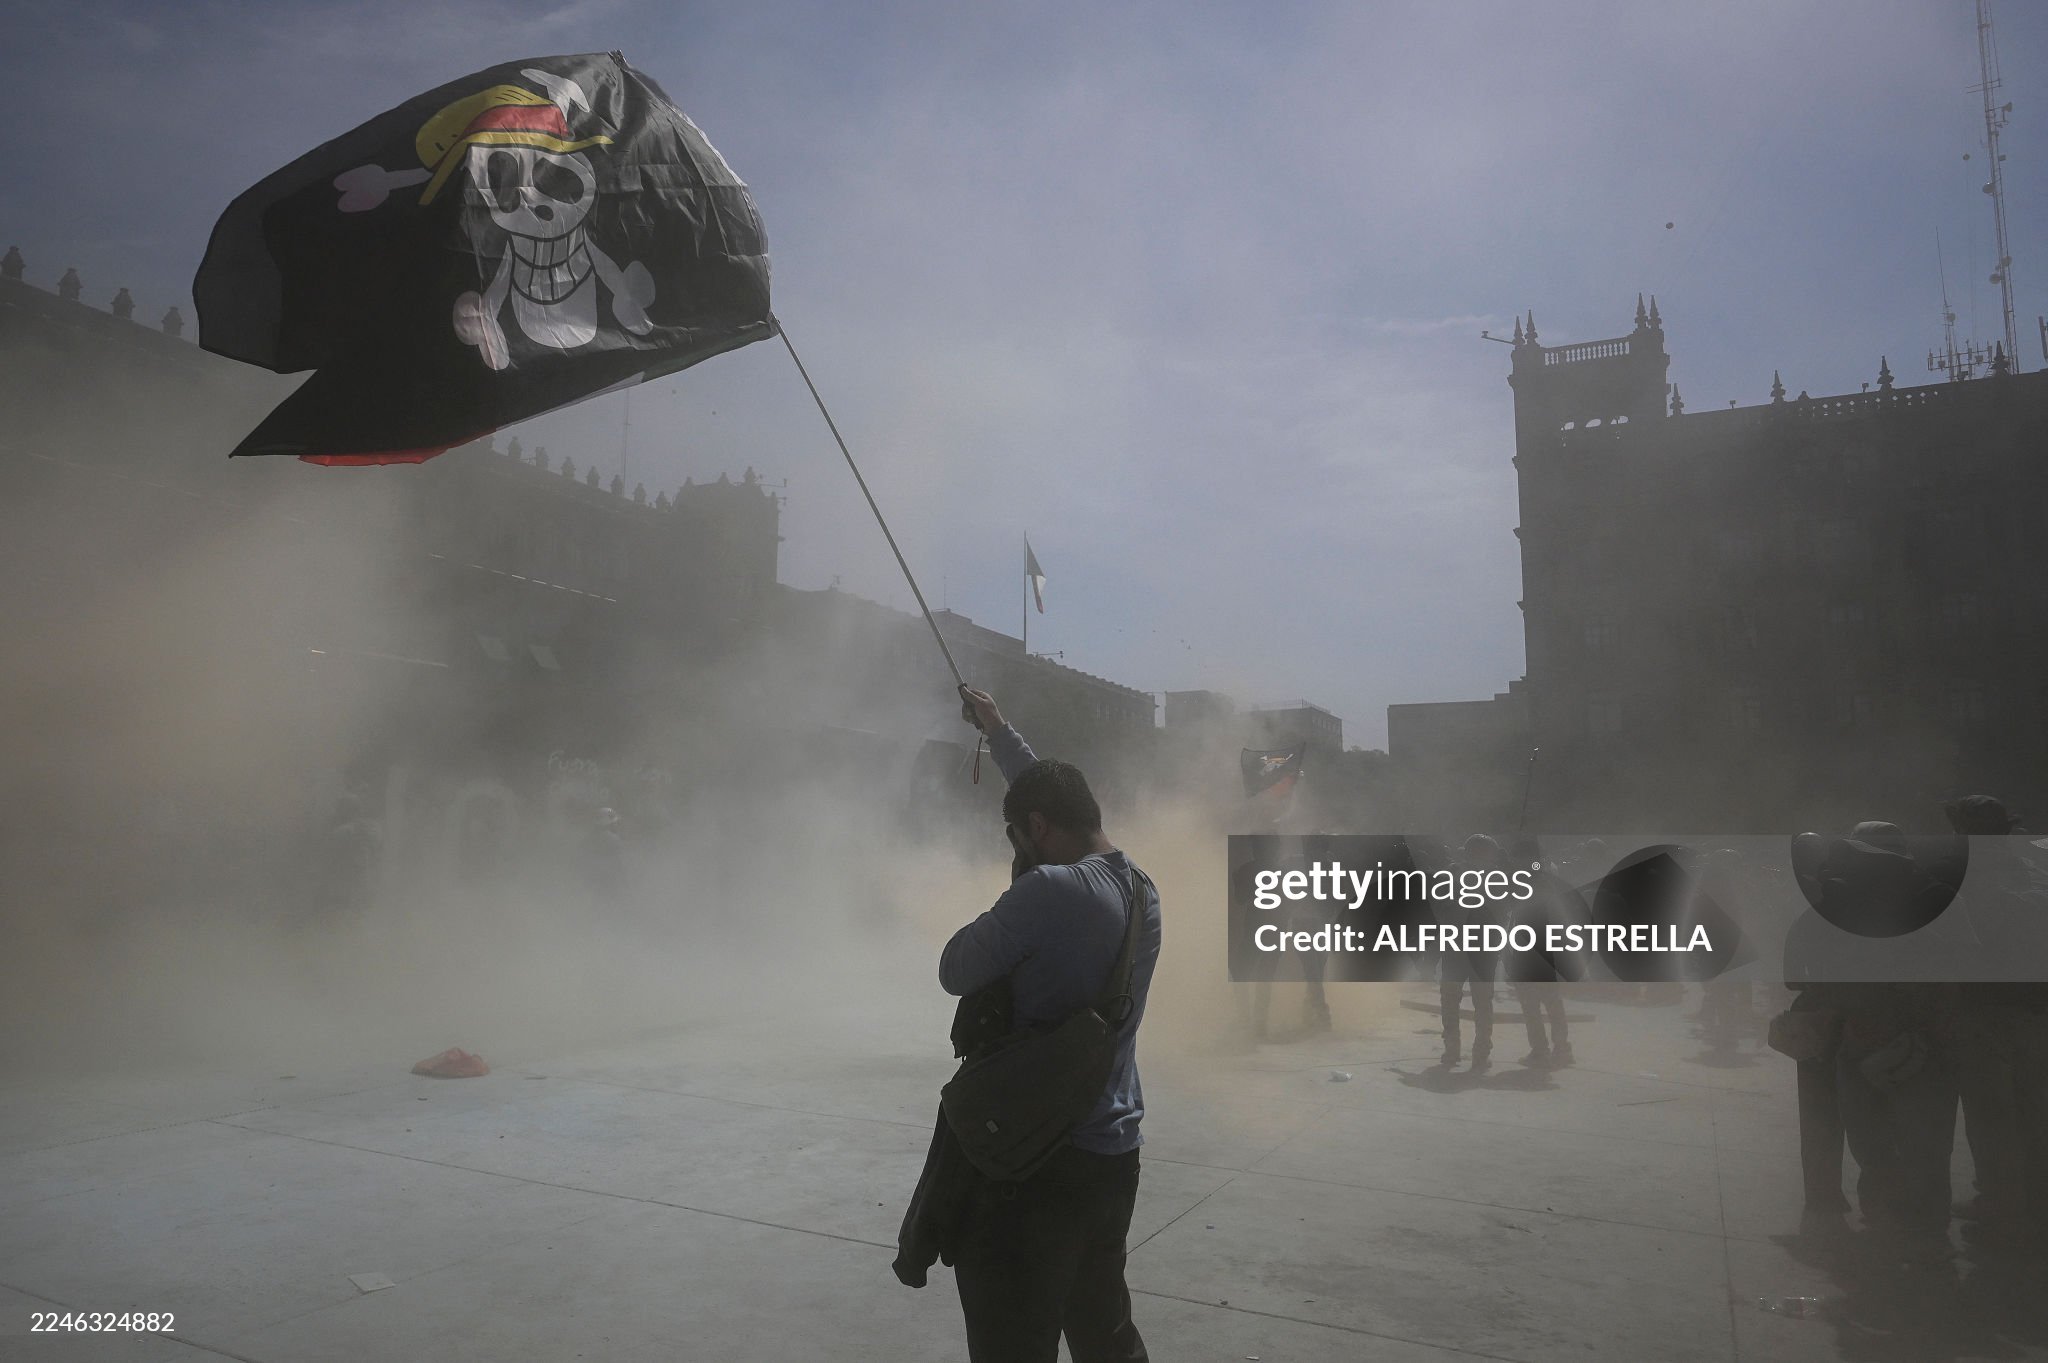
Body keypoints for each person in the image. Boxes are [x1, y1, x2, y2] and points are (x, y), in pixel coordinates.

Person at [940, 686, 1160, 1363]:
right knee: (1103, 1331)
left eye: (1019, 832)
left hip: (1037, 1160)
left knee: (1011, 1338)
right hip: (1112, 1151)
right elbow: (1047, 794)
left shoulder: (1047, 890)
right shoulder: (1140, 888)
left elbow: (956, 967)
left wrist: (1018, 883)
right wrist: (999, 730)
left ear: (1035, 828)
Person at [1439, 834, 1503, 1070]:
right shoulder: (1497, 878)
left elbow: (1440, 908)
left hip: (1456, 948)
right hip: (1483, 951)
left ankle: (1452, 1050)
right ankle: (1480, 1054)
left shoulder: (1452, 873)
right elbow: (1502, 913)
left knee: (1450, 999)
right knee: (1483, 1003)